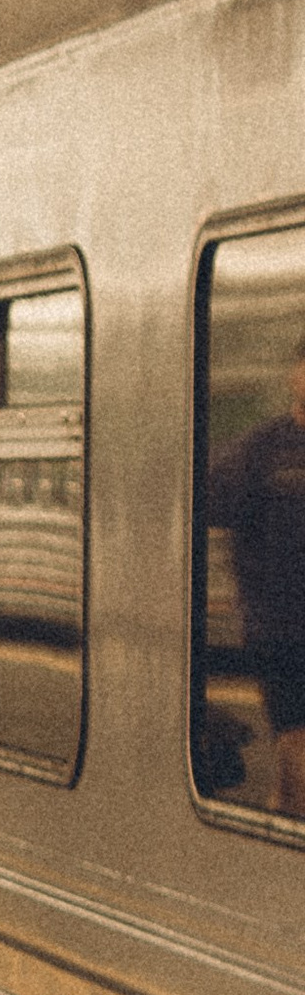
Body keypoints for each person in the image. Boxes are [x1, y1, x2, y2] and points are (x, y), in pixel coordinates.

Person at [209, 332, 305, 819]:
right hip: (281, 634)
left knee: (294, 772)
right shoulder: (262, 449)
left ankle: (279, 818)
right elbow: (209, 506)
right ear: (294, 376)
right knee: (297, 746)